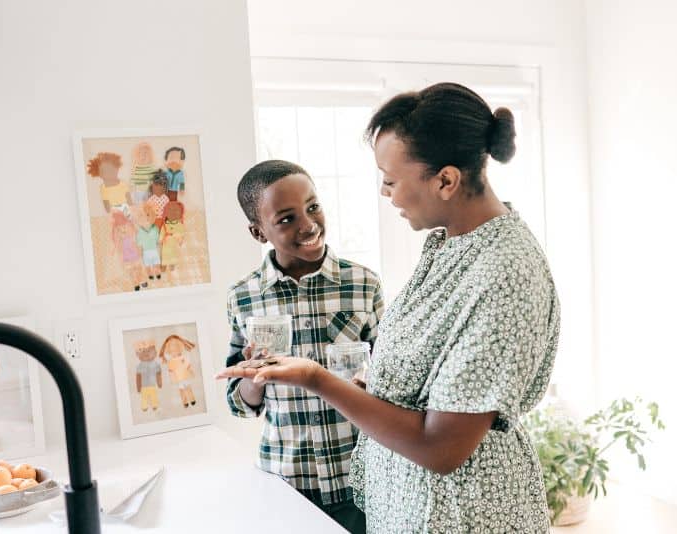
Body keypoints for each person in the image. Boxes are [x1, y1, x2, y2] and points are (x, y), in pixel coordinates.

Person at [217, 83, 560, 533]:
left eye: (391, 179)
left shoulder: (504, 273)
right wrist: (374, 381)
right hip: (410, 510)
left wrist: (315, 378)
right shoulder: (450, 245)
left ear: (445, 180)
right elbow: (430, 376)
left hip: (465, 517)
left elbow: (442, 448)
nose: (384, 192)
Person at [222, 160, 384, 534]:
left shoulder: (364, 285)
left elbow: (390, 379)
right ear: (258, 232)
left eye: (312, 207)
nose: (308, 224)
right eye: (286, 219)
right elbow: (239, 401)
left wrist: (368, 385)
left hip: (361, 482)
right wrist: (253, 378)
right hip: (285, 486)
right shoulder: (243, 299)